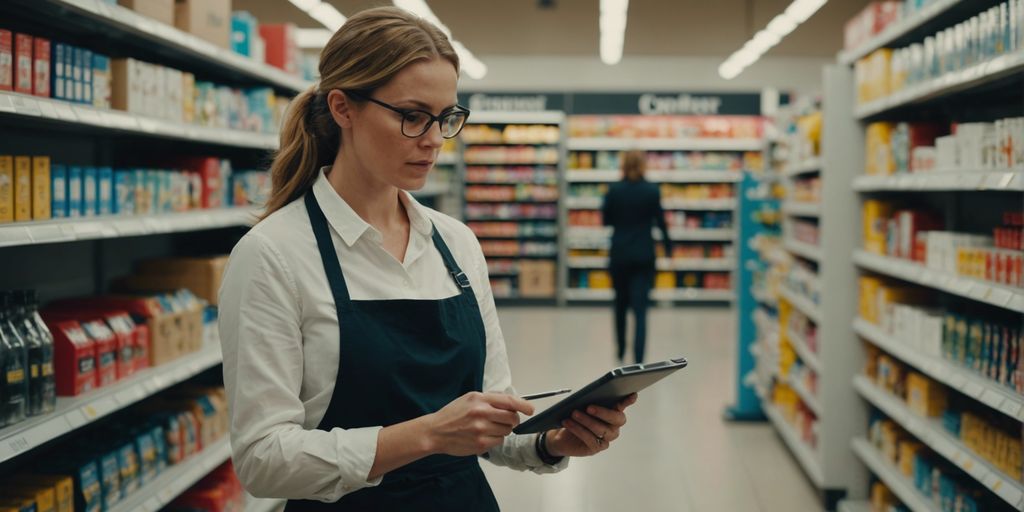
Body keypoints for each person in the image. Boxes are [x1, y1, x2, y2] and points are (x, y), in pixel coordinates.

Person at [218, 7, 637, 511]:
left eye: (447, 118)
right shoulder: (274, 255)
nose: (435, 139)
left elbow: (488, 415)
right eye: (413, 116)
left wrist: (550, 442)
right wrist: (429, 434)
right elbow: (263, 460)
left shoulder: (456, 243)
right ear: (343, 107)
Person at [601, 150, 671, 365]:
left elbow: (605, 220)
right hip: (644, 255)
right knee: (640, 311)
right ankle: (639, 358)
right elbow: (660, 221)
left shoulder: (613, 190)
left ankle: (621, 351)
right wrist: (669, 247)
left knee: (620, 306)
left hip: (620, 254)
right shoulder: (651, 190)